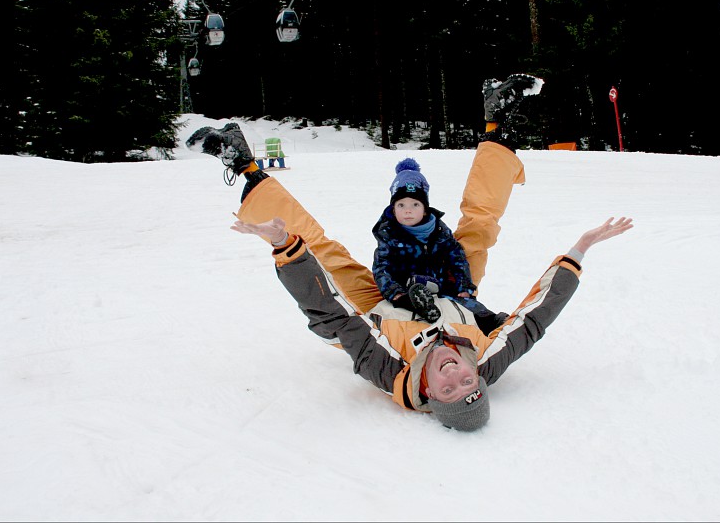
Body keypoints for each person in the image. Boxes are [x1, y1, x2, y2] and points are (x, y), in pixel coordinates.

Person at [186, 75, 633, 432]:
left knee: (323, 255)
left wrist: (285, 248)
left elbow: (334, 316)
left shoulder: (390, 369)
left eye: (449, 386)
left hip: (378, 306)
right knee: (478, 227)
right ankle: (497, 122)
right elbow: (534, 320)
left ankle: (243, 164)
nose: (457, 372)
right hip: (455, 291)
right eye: (469, 381)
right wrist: (578, 252)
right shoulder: (488, 361)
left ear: (430, 396)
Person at [372, 156, 506, 334]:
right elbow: (382, 268)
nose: (408, 210)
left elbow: (457, 259)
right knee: (403, 312)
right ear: (393, 208)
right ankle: (425, 318)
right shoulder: (389, 236)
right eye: (401, 205)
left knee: (467, 304)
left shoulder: (439, 231)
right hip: (407, 291)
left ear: (425, 208)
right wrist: (395, 293)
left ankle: (492, 323)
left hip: (440, 286)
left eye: (415, 204)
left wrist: (464, 286)